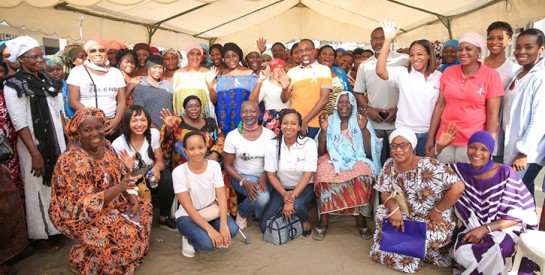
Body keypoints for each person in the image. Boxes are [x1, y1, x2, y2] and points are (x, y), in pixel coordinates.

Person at [49, 108, 153, 273]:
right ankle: (82, 258)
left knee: (144, 209)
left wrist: (133, 199)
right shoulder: (73, 162)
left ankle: (111, 251)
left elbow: (121, 175)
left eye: (98, 127)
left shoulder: (106, 145)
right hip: (79, 215)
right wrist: (119, 188)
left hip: (110, 200)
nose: (95, 133)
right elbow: (84, 205)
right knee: (128, 235)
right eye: (87, 130)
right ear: (78, 132)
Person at [369, 128, 464, 273]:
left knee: (435, 234)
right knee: (381, 213)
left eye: (403, 145)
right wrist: (394, 210)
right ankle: (415, 251)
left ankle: (406, 255)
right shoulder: (389, 164)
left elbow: (458, 187)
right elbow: (384, 191)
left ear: (412, 147)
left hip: (431, 217)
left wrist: (437, 210)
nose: (398, 150)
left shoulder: (428, 166)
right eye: (394, 145)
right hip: (405, 213)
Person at [4, 36, 67, 253]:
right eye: (34, 56)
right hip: (32, 146)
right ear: (20, 59)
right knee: (35, 189)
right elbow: (20, 122)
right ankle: (40, 236)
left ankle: (56, 228)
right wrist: (35, 153)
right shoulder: (13, 85)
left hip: (56, 143)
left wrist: (64, 142)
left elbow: (58, 113)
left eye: (41, 55)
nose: (40, 59)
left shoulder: (48, 82)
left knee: (54, 187)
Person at [449, 130, 537, 274]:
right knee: (463, 250)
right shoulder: (459, 170)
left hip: (505, 228)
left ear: (490, 152)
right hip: (473, 225)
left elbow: (520, 215)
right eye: (473, 147)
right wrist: (439, 147)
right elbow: (429, 169)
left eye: (484, 149)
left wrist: (485, 229)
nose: (477, 153)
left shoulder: (505, 172)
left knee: (500, 248)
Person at [425, 32, 504, 163]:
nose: (463, 53)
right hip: (445, 138)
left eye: (468, 49)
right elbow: (440, 106)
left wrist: (488, 146)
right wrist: (430, 137)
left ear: (479, 52)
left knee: (466, 180)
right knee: (444, 178)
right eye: (460, 49)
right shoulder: (449, 72)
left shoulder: (491, 76)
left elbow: (493, 114)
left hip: (473, 142)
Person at [313, 92, 381, 240]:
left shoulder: (360, 120)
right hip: (333, 158)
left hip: (357, 157)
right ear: (336, 105)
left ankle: (361, 220)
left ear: (352, 104)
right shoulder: (329, 120)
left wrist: (363, 129)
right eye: (341, 102)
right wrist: (324, 131)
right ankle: (324, 219)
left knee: (365, 176)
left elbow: (370, 152)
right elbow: (321, 151)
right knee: (323, 176)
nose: (344, 105)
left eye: (347, 102)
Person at [376, 20, 441, 156]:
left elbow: (439, 108)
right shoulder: (403, 73)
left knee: (423, 172)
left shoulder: (438, 77)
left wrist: (431, 137)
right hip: (403, 132)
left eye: (420, 54)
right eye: (411, 55)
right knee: (402, 172)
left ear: (429, 56)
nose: (415, 58)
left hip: (426, 133)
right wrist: (387, 40)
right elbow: (380, 71)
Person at [172, 131, 238, 258]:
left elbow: (222, 196)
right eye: (191, 149)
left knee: (232, 230)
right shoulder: (178, 172)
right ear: (185, 151)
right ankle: (188, 238)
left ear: (206, 147)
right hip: (188, 217)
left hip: (210, 210)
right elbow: (189, 208)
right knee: (208, 244)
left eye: (200, 147)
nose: (197, 152)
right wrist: (211, 230)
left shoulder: (214, 166)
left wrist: (223, 225)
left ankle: (206, 229)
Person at [112, 105, 176, 231]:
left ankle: (164, 216)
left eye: (143, 120)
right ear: (126, 122)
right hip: (131, 182)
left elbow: (161, 162)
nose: (139, 124)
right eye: (134, 120)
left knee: (168, 177)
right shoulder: (118, 144)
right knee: (139, 223)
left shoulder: (154, 134)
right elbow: (121, 179)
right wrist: (129, 169)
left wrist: (156, 168)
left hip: (150, 176)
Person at [354, 27, 408, 163]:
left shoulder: (403, 60)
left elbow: (411, 89)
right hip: (375, 122)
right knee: (375, 159)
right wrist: (368, 109)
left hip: (398, 122)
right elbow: (358, 92)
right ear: (371, 41)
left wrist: (399, 110)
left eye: (382, 38)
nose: (378, 42)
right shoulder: (364, 65)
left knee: (398, 161)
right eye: (375, 38)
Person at [260, 109, 317, 236]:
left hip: (304, 187)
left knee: (297, 205)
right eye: (285, 123)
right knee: (264, 227)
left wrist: (291, 199)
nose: (289, 127)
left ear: (299, 126)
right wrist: (285, 195)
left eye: (293, 123)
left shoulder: (309, 144)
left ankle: (303, 219)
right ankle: (288, 211)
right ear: (280, 125)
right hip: (282, 188)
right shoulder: (272, 145)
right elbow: (271, 175)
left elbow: (307, 176)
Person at [503, 28, 545, 197]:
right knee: (525, 195)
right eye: (518, 47)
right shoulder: (519, 73)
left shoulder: (540, 77)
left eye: (528, 47)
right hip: (512, 148)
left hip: (526, 154)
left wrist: (523, 152)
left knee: (513, 196)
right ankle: (530, 225)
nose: (521, 52)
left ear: (541, 49)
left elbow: (540, 118)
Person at [224, 101, 274, 229]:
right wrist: (244, 181)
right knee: (262, 198)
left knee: (260, 214)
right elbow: (228, 165)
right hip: (242, 177)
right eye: (244, 111)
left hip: (266, 177)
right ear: (240, 114)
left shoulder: (269, 135)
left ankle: (255, 209)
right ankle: (242, 212)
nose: (248, 114)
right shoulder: (232, 136)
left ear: (259, 113)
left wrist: (264, 176)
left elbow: (273, 161)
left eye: (252, 111)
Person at [67, 38, 127, 141]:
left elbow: (121, 100)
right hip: (88, 125)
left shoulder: (115, 73)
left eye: (101, 50)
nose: (98, 53)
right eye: (93, 51)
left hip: (111, 126)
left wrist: (116, 121)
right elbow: (73, 101)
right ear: (88, 54)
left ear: (106, 53)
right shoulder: (77, 72)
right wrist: (97, 120)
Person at [281, 39, 332, 139]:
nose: (304, 53)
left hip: (313, 122)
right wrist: (284, 88)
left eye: (307, 49)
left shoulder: (324, 70)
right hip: (293, 123)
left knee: (311, 153)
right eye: (300, 51)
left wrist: (305, 121)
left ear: (315, 51)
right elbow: (284, 99)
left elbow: (324, 99)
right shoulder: (292, 71)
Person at [160, 95, 224, 169]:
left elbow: (220, 139)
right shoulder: (176, 121)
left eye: (197, 106)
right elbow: (165, 140)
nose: (194, 109)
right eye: (190, 106)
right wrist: (169, 128)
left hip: (209, 164)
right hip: (183, 166)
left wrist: (215, 154)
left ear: (201, 108)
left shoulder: (210, 122)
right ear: (185, 109)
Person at [213, 42, 258, 134]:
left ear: (239, 57)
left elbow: (255, 100)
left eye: (234, 56)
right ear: (224, 59)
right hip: (223, 119)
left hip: (244, 119)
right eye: (227, 57)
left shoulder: (250, 74)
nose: (231, 59)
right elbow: (214, 100)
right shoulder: (219, 74)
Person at [172, 43, 215, 119]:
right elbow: (172, 98)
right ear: (187, 55)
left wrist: (210, 86)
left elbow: (214, 100)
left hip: (204, 120)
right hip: (182, 120)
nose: (195, 56)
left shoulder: (208, 73)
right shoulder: (178, 74)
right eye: (192, 53)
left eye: (198, 54)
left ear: (201, 57)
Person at [249, 58, 291, 135]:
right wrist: (260, 81)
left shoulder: (289, 84)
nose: (280, 73)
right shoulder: (266, 85)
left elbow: (285, 100)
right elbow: (252, 101)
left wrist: (285, 87)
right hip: (271, 120)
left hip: (287, 120)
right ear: (272, 71)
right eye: (277, 70)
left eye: (282, 70)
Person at [132, 55, 173, 129]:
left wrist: (170, 126)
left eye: (160, 67)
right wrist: (153, 127)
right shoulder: (140, 85)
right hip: (150, 128)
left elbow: (172, 105)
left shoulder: (167, 84)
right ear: (147, 68)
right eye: (154, 67)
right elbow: (140, 111)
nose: (158, 70)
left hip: (168, 128)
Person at [317, 45, 352, 117]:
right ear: (318, 57)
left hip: (338, 117)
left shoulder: (340, 72)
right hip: (317, 117)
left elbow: (349, 94)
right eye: (324, 54)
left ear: (334, 58)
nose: (327, 56)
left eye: (331, 55)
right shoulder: (312, 72)